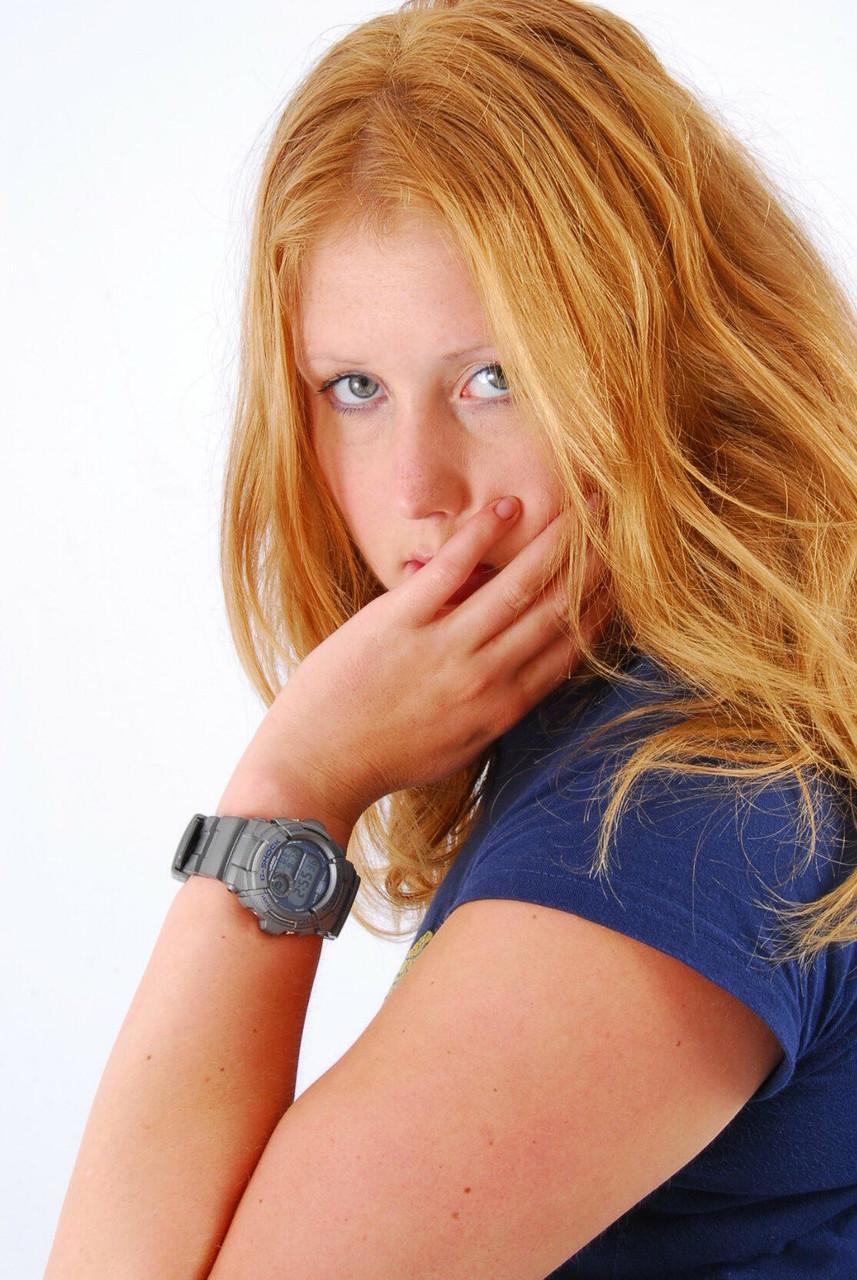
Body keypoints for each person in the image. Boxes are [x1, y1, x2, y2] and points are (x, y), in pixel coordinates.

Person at [45, 0, 857, 1276]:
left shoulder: (675, 817)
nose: (416, 487)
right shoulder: (660, 740)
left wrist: (288, 791)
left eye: (494, 377)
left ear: (665, 353)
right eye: (353, 389)